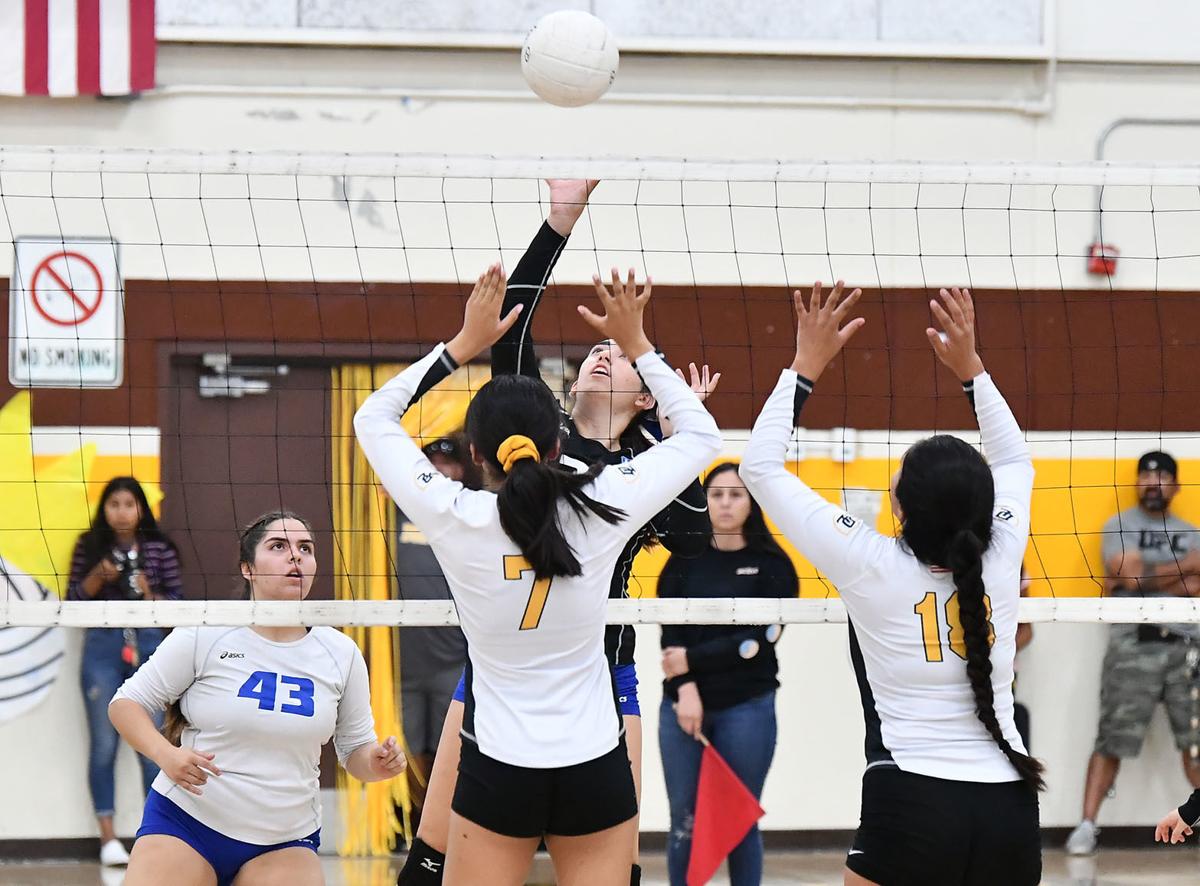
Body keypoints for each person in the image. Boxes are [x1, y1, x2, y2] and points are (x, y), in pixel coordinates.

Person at [354, 264, 721, 886]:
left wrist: (460, 348)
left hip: (500, 761)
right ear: (559, 444)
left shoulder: (453, 513)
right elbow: (702, 436)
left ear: (474, 455)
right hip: (594, 759)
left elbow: (373, 418)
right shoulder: (607, 503)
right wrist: (639, 345)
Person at [740, 284, 1043, 886]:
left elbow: (759, 466)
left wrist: (804, 367)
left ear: (900, 510)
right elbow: (1015, 462)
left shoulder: (867, 562)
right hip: (1010, 799)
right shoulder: (1004, 552)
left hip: (911, 797)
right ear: (984, 511)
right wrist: (972, 369)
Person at [108, 511, 407, 886]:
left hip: (283, 840)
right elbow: (125, 705)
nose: (295, 556)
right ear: (248, 568)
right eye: (278, 546)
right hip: (188, 823)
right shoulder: (207, 632)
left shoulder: (340, 652)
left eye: (305, 548)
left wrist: (377, 763)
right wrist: (165, 755)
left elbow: (356, 753)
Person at [657, 461, 798, 885]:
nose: (724, 502)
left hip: (747, 705)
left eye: (735, 494)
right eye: (716, 494)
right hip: (682, 704)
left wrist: (693, 663)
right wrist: (686, 689)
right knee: (685, 819)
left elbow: (760, 641)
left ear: (751, 502)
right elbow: (671, 640)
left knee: (739, 819)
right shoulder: (682, 562)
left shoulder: (774, 565)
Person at [1065, 450, 1200, 856]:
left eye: (1161, 477)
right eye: (1145, 476)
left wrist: (1143, 579)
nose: (1152, 483)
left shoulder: (1192, 531)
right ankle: (1086, 826)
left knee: (1195, 744)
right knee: (1111, 739)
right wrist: (1185, 571)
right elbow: (1127, 576)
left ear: (1175, 486)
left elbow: (1140, 579)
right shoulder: (1119, 525)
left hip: (1186, 647)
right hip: (1132, 644)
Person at [67, 476, 183, 867]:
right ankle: (108, 839)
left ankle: (157, 838)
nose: (121, 512)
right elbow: (72, 601)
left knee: (152, 747)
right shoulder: (90, 546)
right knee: (103, 745)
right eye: (113, 503)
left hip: (149, 645)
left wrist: (148, 590)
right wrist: (100, 575)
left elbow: (178, 606)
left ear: (140, 508)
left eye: (129, 503)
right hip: (102, 645)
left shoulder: (160, 548)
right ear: (104, 508)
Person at [396, 437, 474, 820]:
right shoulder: (391, 511)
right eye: (432, 462)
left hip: (452, 660)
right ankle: (409, 824)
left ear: (462, 468)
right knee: (406, 749)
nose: (440, 469)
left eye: (448, 462)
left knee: (450, 747)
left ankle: (445, 824)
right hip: (400, 663)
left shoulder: (468, 514)